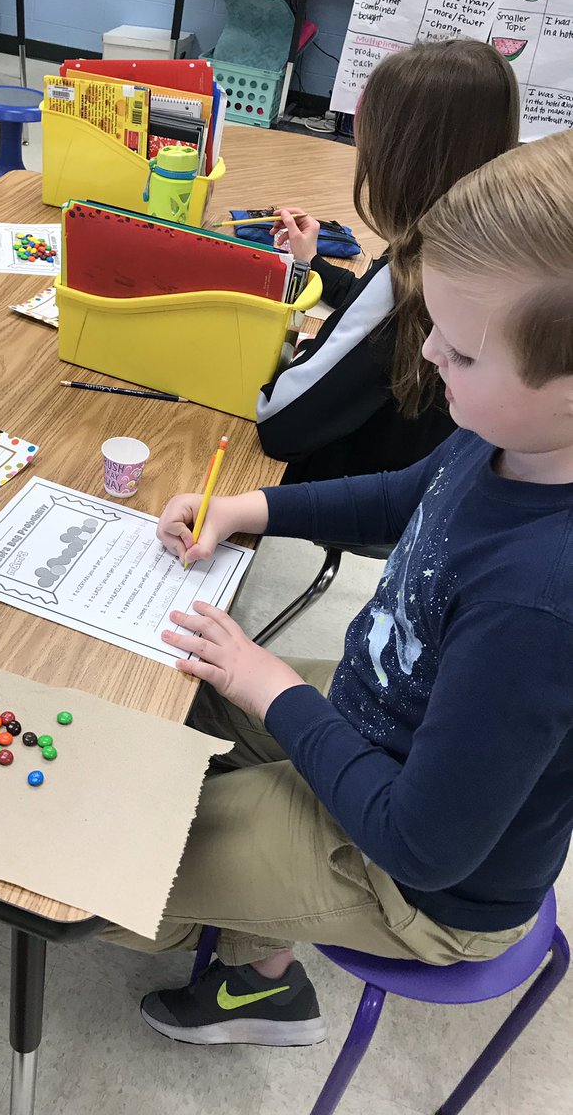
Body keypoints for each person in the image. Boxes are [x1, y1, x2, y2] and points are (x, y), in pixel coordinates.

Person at [103, 129, 573, 1049]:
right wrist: (247, 507)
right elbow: (407, 496)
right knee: (171, 707)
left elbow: (424, 842)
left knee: (129, 841)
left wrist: (268, 685)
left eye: (464, 352)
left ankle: (259, 981)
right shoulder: (514, 433)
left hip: (426, 887)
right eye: (434, 322)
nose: (431, 353)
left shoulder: (539, 604)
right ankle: (264, 951)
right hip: (386, 727)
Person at [257, 39, 520, 483]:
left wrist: (302, 357)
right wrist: (313, 262)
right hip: (436, 480)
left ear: (398, 159)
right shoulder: (484, 244)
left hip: (367, 486)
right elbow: (372, 312)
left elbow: (279, 424)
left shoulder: (413, 276)